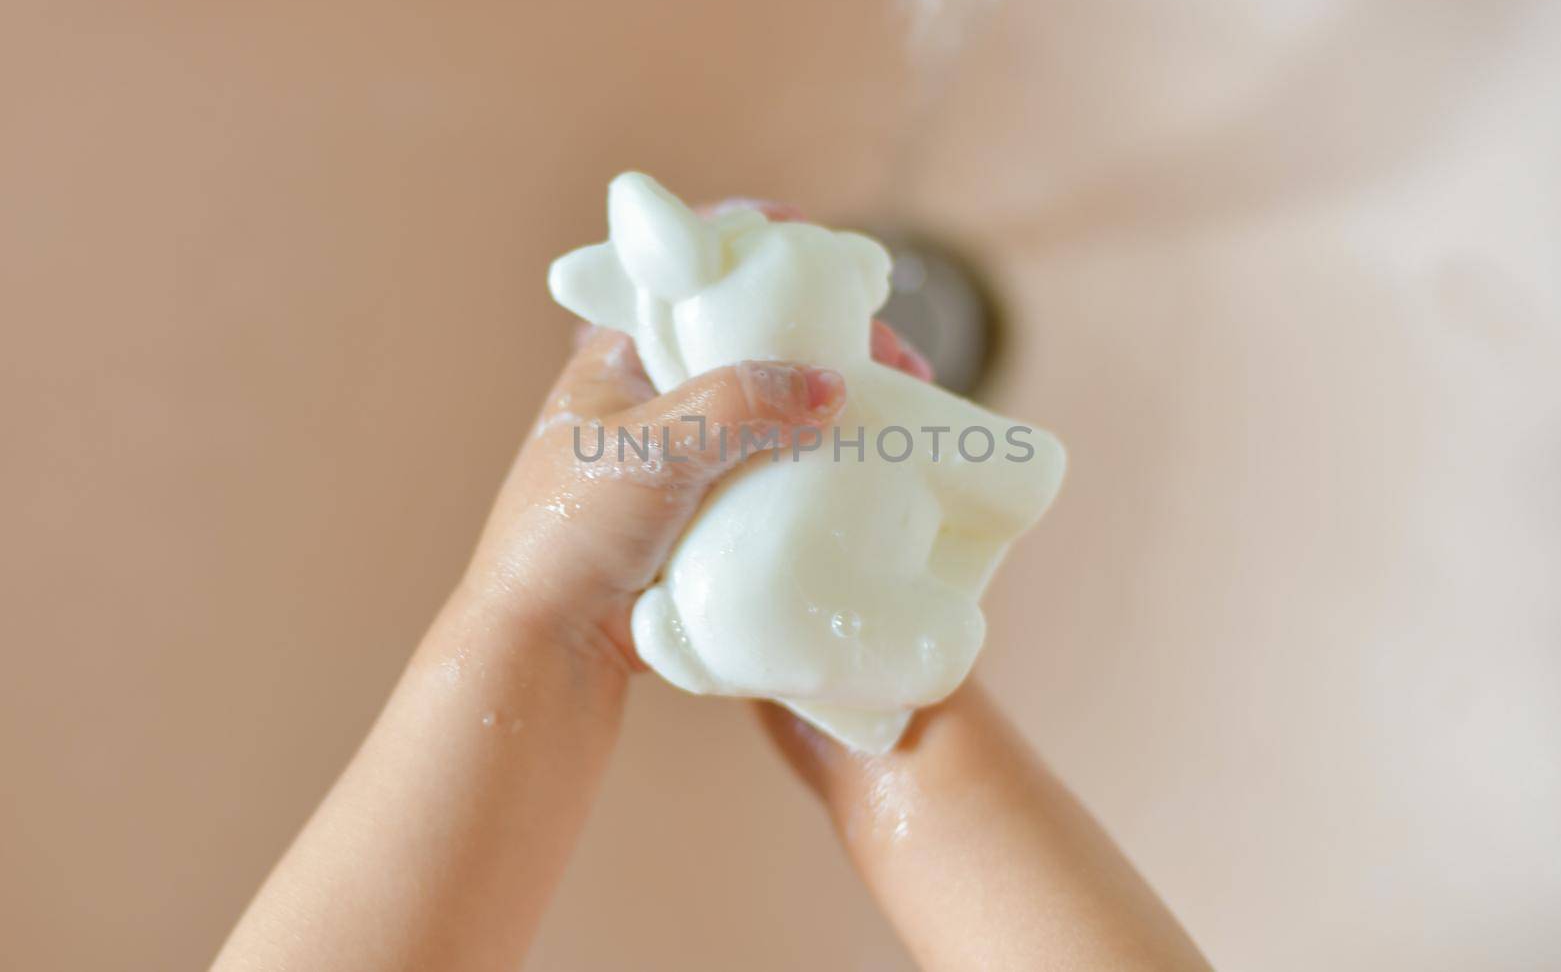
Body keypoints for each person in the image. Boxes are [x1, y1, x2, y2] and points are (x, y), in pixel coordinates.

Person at [211, 202, 1211, 972]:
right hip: (799, 623)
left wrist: (538, 619)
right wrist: (864, 687)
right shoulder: (876, 416)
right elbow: (1018, 469)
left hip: (751, 616)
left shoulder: (850, 422)